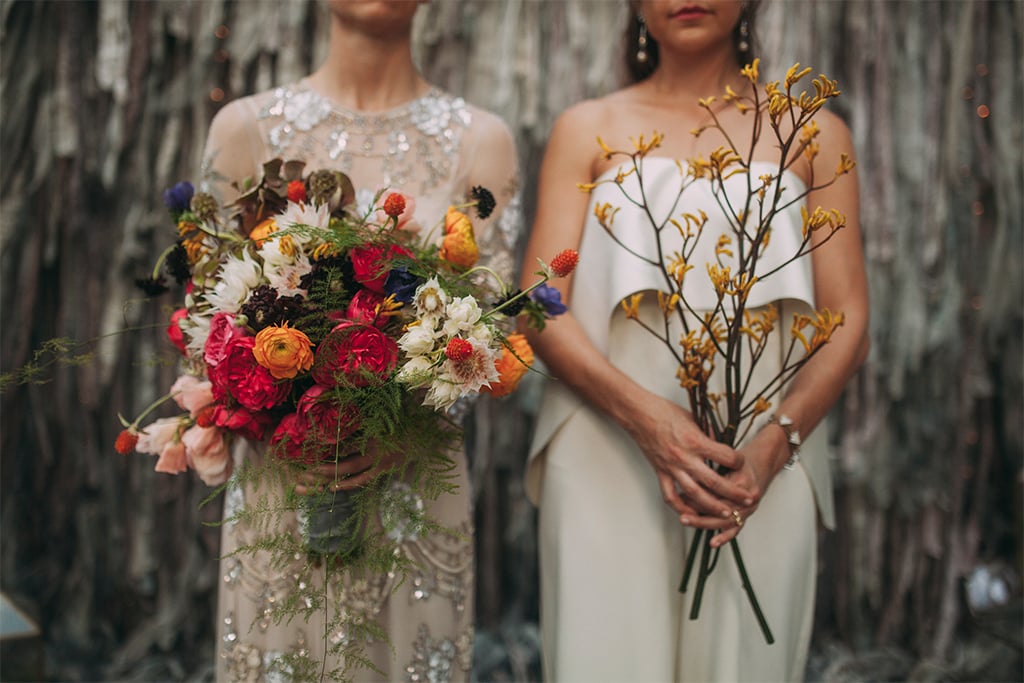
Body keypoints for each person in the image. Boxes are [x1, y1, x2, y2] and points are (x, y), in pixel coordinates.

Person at [520, 1, 869, 681]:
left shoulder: (814, 132)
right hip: (604, 452)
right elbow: (540, 306)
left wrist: (774, 445)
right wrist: (645, 419)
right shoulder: (586, 128)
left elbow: (848, 318)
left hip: (761, 464)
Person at [199, 2, 520, 680]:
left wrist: (399, 425)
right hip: (283, 486)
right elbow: (204, 322)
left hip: (415, 495)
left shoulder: (482, 141)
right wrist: (282, 413)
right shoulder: (246, 129)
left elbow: (498, 334)